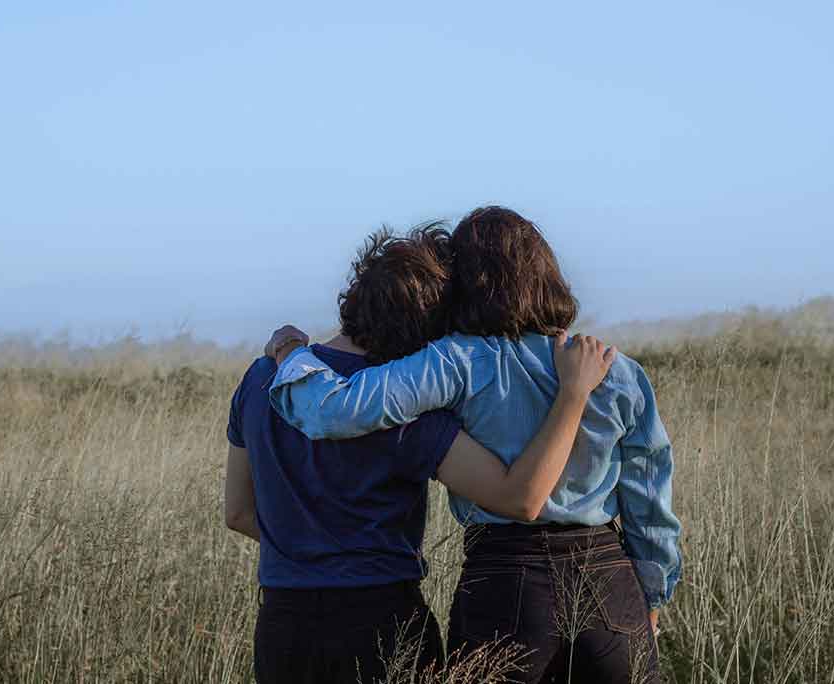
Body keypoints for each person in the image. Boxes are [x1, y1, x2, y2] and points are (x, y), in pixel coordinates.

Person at [266, 207, 681, 683]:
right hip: (612, 583)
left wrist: (291, 354)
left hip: (506, 579)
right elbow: (651, 504)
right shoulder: (617, 370)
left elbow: (333, 411)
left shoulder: (458, 360)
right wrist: (651, 597)